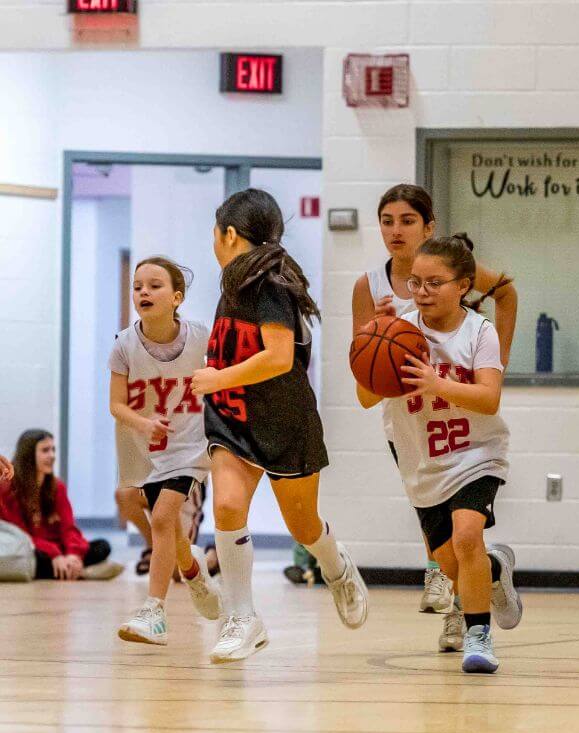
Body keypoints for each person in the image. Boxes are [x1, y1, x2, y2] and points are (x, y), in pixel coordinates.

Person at [192, 188, 368, 663]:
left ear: (229, 233)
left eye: (214, 232)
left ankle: (336, 566)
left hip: (283, 418)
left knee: (303, 525)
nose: (212, 241)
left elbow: (278, 356)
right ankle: (243, 617)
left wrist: (216, 377)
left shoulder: (267, 283)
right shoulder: (233, 281)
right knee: (227, 507)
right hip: (233, 416)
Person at [351, 184, 518, 634]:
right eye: (387, 221)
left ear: (429, 226)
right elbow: (364, 383)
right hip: (409, 421)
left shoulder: (452, 266)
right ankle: (474, 574)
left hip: (463, 419)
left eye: (407, 220)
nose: (396, 230)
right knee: (444, 544)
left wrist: (492, 361)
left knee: (466, 537)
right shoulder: (370, 286)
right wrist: (375, 334)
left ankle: (465, 615)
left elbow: (506, 293)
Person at [110, 257, 222, 645]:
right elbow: (116, 405)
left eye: (154, 285)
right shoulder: (124, 344)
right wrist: (143, 424)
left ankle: (153, 612)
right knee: (170, 530)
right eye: (138, 285)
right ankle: (193, 572)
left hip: (190, 445)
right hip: (147, 448)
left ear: (176, 297)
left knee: (160, 519)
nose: (143, 291)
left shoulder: (200, 337)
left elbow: (224, 380)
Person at [0, 429, 123, 580]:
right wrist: (54, 554)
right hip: (32, 550)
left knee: (102, 546)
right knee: (32, 559)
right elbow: (22, 536)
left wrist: (73, 555)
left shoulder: (57, 486)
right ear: (29, 454)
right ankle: (81, 572)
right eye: (45, 450)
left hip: (59, 549)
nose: (52, 456)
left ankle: (69, 568)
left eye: (53, 450)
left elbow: (69, 528)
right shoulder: (9, 487)